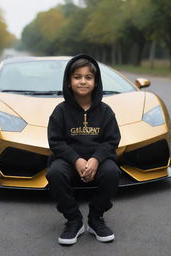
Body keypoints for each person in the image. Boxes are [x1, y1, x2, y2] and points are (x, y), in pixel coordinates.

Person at [46, 54, 121, 245]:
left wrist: (96, 159)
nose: (83, 81)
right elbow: (55, 142)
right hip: (68, 161)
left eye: (88, 77)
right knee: (55, 173)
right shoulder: (60, 111)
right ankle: (74, 220)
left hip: (99, 161)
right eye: (77, 76)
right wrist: (76, 159)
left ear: (96, 82)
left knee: (112, 172)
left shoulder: (105, 111)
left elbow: (112, 140)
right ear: (69, 82)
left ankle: (96, 218)